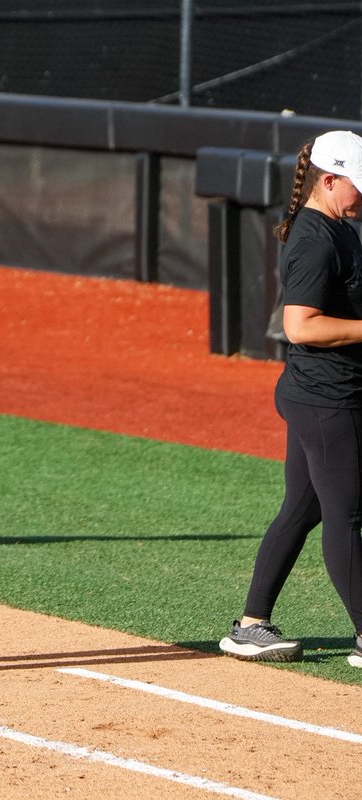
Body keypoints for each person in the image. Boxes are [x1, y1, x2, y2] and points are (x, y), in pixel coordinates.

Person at [219, 130, 362, 666]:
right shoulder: (314, 239)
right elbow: (300, 326)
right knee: (346, 515)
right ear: (330, 181)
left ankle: (250, 627)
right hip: (328, 399)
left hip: (319, 393)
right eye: (358, 184)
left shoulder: (337, 226)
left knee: (303, 509)